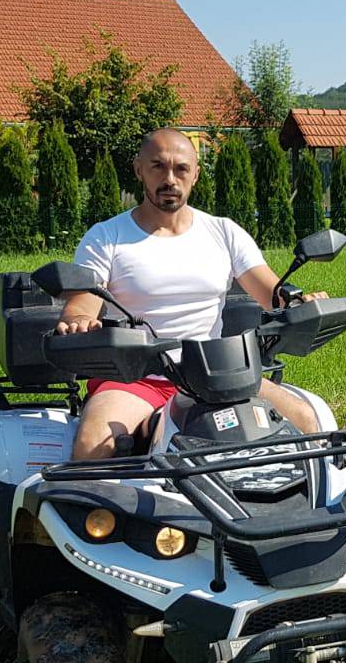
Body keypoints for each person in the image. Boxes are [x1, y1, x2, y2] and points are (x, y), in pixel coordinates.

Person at [56, 127, 326, 459]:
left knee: (306, 419)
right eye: (158, 166)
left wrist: (300, 301)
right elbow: (81, 304)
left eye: (181, 168)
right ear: (139, 169)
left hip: (217, 373)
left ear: (195, 175)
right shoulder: (106, 237)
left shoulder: (224, 232)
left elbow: (273, 293)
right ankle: (95, 512)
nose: (170, 178)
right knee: (92, 444)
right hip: (135, 379)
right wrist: (79, 321)